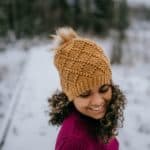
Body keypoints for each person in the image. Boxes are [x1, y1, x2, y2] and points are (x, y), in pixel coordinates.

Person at [48, 27, 126, 150]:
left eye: (104, 89)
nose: (98, 101)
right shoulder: (72, 142)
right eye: (85, 94)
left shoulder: (102, 119)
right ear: (70, 96)